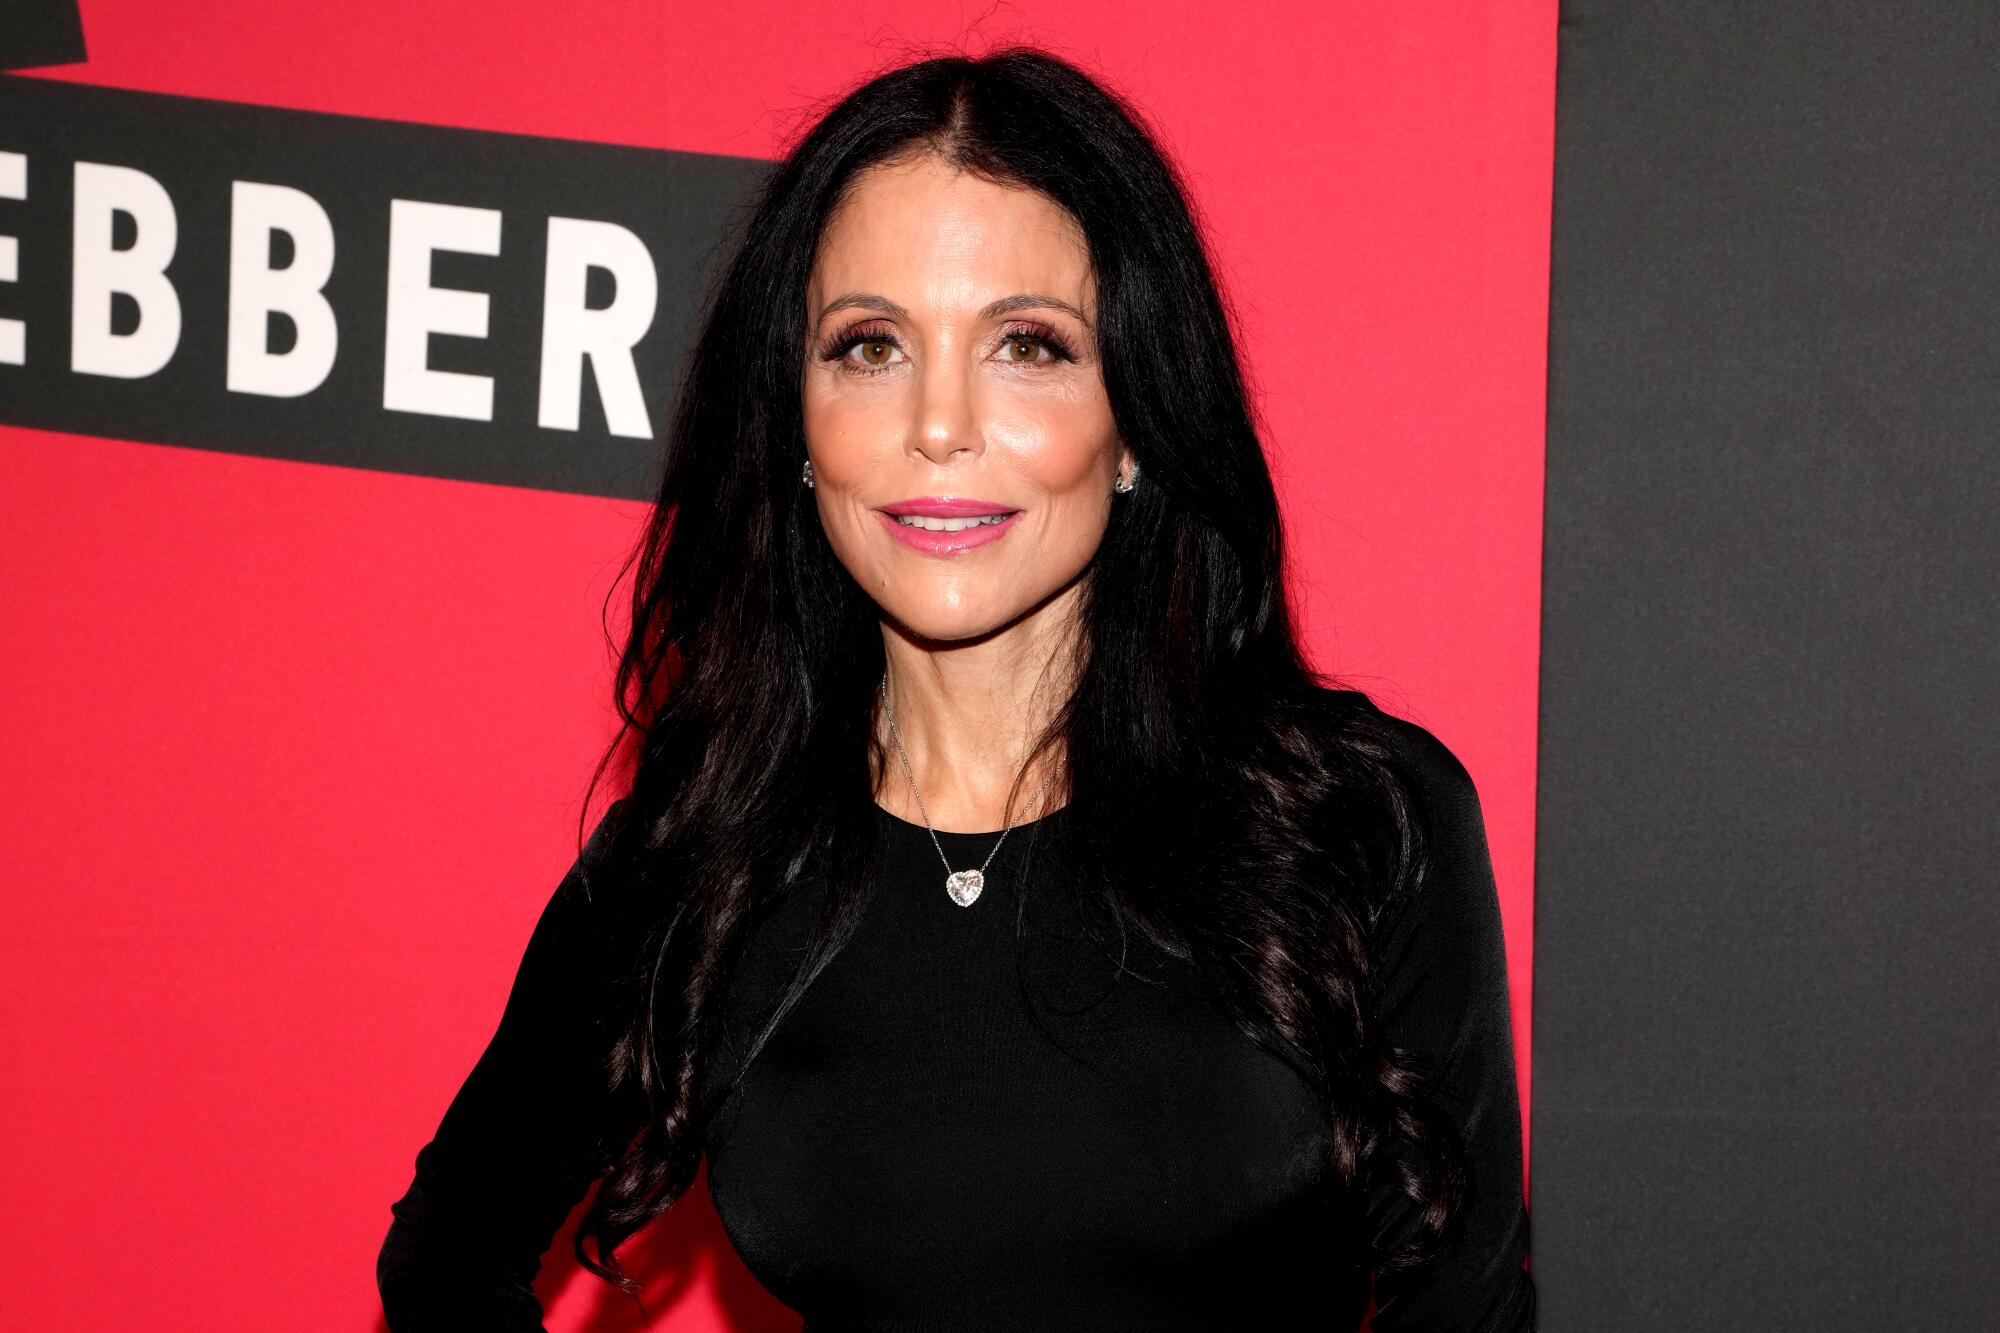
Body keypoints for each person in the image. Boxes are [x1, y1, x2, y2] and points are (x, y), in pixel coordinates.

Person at [376, 45, 1536, 1332]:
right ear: (797, 424)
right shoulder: (708, 853)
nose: (937, 423)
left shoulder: (1356, 821)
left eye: (1025, 346)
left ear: (1137, 417)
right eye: (869, 346)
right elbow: (445, 1262)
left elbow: (1465, 1313)